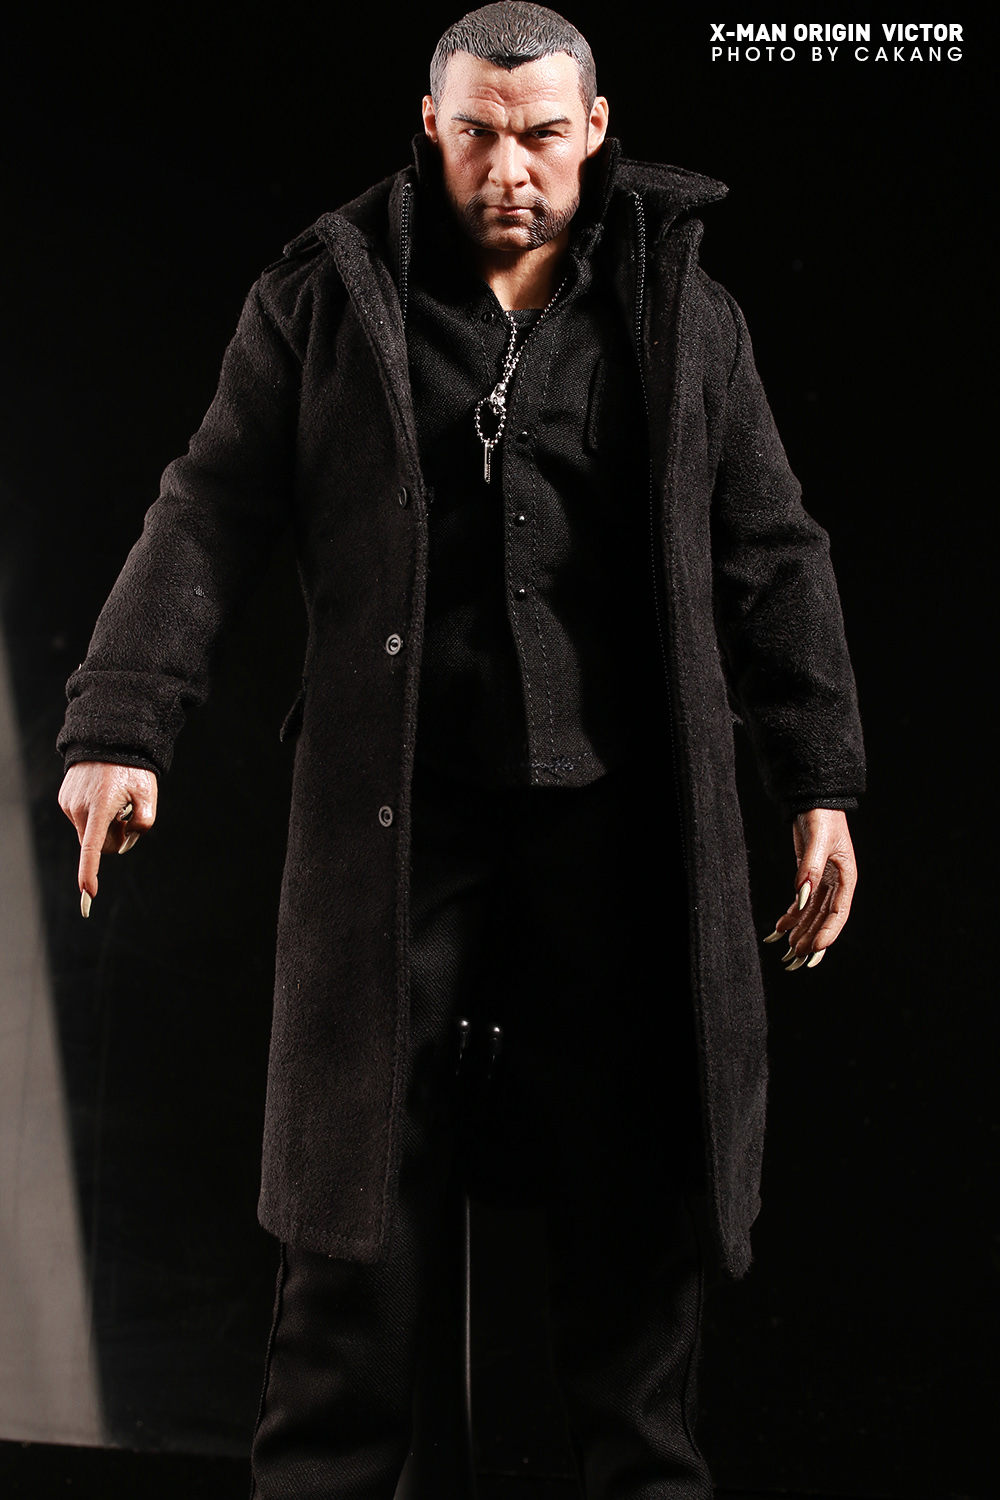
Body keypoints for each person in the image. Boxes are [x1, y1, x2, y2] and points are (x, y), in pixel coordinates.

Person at [55, 4, 865, 1496]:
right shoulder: (328, 299)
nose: (511, 169)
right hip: (396, 817)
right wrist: (122, 720)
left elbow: (770, 547)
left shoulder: (680, 314)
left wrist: (818, 776)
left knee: (633, 1198)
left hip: (617, 820)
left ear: (596, 129)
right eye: (479, 132)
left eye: (543, 134)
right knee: (356, 1204)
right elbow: (209, 507)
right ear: (430, 123)